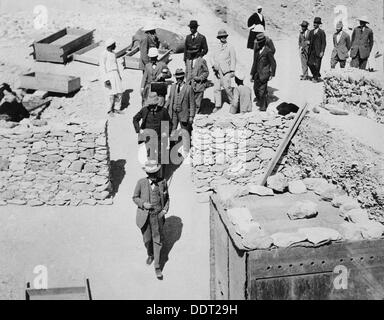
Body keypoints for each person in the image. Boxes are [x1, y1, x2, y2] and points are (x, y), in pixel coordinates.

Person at [133, 160, 170, 280]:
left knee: (157, 240)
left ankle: (157, 266)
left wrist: (164, 211)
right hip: (144, 216)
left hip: (157, 216)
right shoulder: (141, 182)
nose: (153, 176)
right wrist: (143, 204)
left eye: (155, 173)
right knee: (147, 239)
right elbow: (135, 197)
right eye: (151, 173)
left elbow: (167, 198)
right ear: (147, 173)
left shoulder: (162, 182)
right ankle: (150, 254)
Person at [133, 92, 172, 165]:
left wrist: (166, 133)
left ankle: (160, 175)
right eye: (150, 105)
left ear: (157, 104)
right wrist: (139, 130)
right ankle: (152, 173)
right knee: (150, 154)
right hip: (148, 136)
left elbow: (169, 124)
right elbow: (135, 119)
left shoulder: (163, 111)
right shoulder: (144, 110)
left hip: (159, 136)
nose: (151, 107)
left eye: (153, 105)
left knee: (160, 155)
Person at [165, 69, 195, 155]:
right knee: (173, 130)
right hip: (174, 113)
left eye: (180, 78)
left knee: (185, 132)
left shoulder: (188, 88)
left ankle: (186, 150)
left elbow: (192, 103)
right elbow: (170, 98)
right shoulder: (173, 87)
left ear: (183, 78)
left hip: (184, 113)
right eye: (177, 78)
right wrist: (165, 106)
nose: (178, 80)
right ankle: (172, 148)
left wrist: (191, 116)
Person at [211, 29, 236, 113]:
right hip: (216, 70)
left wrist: (232, 70)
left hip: (226, 71)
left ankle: (233, 103)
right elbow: (211, 57)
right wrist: (213, 65)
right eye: (221, 37)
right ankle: (217, 105)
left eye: (224, 36)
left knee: (227, 87)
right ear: (219, 38)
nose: (223, 38)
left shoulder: (230, 47)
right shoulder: (215, 46)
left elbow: (233, 59)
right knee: (216, 88)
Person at [250, 33, 276, 112]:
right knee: (255, 89)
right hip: (257, 74)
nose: (259, 44)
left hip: (264, 73)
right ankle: (262, 100)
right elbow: (254, 62)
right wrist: (251, 73)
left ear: (264, 42)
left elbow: (273, 63)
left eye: (261, 42)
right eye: (258, 42)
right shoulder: (257, 50)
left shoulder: (268, 51)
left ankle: (263, 108)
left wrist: (272, 74)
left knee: (262, 91)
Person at [99, 38, 124, 116]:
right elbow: (102, 67)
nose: (115, 46)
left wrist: (119, 75)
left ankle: (117, 108)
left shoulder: (113, 53)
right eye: (114, 45)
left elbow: (116, 65)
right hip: (109, 75)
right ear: (110, 46)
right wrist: (106, 79)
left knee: (119, 92)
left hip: (115, 73)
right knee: (110, 93)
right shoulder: (104, 54)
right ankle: (109, 110)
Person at [185, 47, 209, 113]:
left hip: (199, 85)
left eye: (194, 52)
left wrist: (200, 78)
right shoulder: (188, 61)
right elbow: (187, 72)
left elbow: (206, 72)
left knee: (197, 103)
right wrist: (187, 81)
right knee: (189, 102)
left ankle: (196, 116)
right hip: (190, 85)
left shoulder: (201, 60)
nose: (192, 54)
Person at [308, 17, 326, 83]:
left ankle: (315, 78)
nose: (314, 24)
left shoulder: (322, 32)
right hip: (312, 51)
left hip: (318, 51)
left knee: (317, 64)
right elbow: (309, 40)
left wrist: (322, 51)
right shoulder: (311, 32)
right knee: (309, 63)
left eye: (316, 23)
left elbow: (324, 43)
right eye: (314, 23)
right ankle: (316, 74)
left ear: (319, 24)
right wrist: (308, 42)